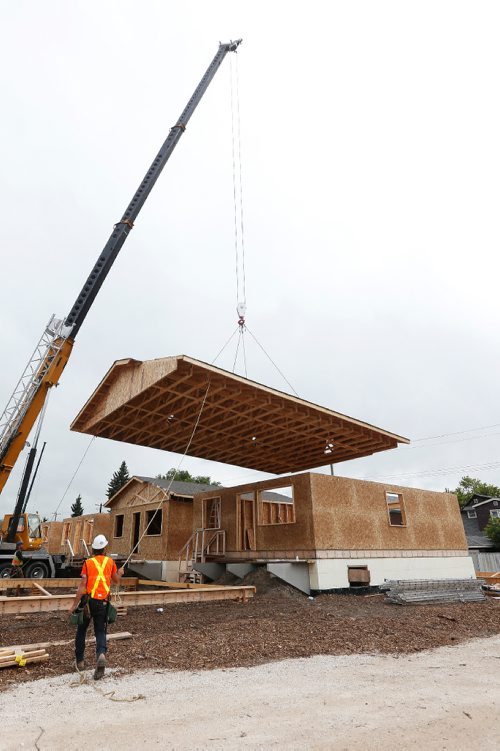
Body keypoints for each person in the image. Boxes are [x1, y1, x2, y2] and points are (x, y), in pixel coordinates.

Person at [69, 534, 124, 680]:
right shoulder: (110, 562)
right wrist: (119, 573)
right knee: (100, 631)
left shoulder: (88, 563)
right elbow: (117, 581)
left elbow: (82, 586)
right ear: (104, 548)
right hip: (103, 602)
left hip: (87, 602)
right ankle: (100, 654)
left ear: (94, 549)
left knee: (81, 630)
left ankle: (80, 661)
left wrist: (74, 605)